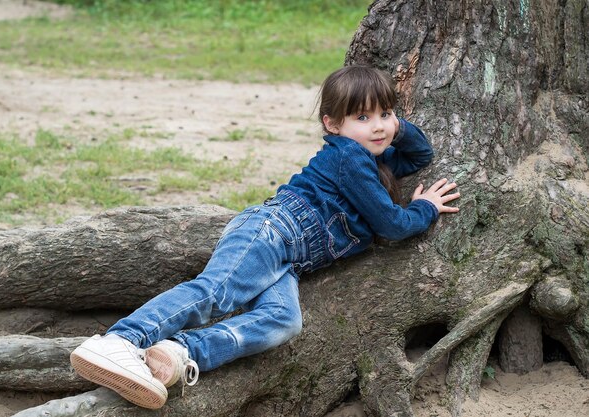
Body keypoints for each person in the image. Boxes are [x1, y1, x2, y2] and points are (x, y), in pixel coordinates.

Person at [70, 65, 460, 409]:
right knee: (215, 292)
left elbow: (419, 155)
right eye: (363, 116)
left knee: (283, 321)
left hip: (289, 259)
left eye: (385, 114)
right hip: (272, 231)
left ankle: (177, 353)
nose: (377, 125)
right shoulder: (349, 158)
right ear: (332, 125)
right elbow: (392, 225)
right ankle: (121, 339)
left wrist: (392, 126)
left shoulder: (371, 156)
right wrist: (424, 208)